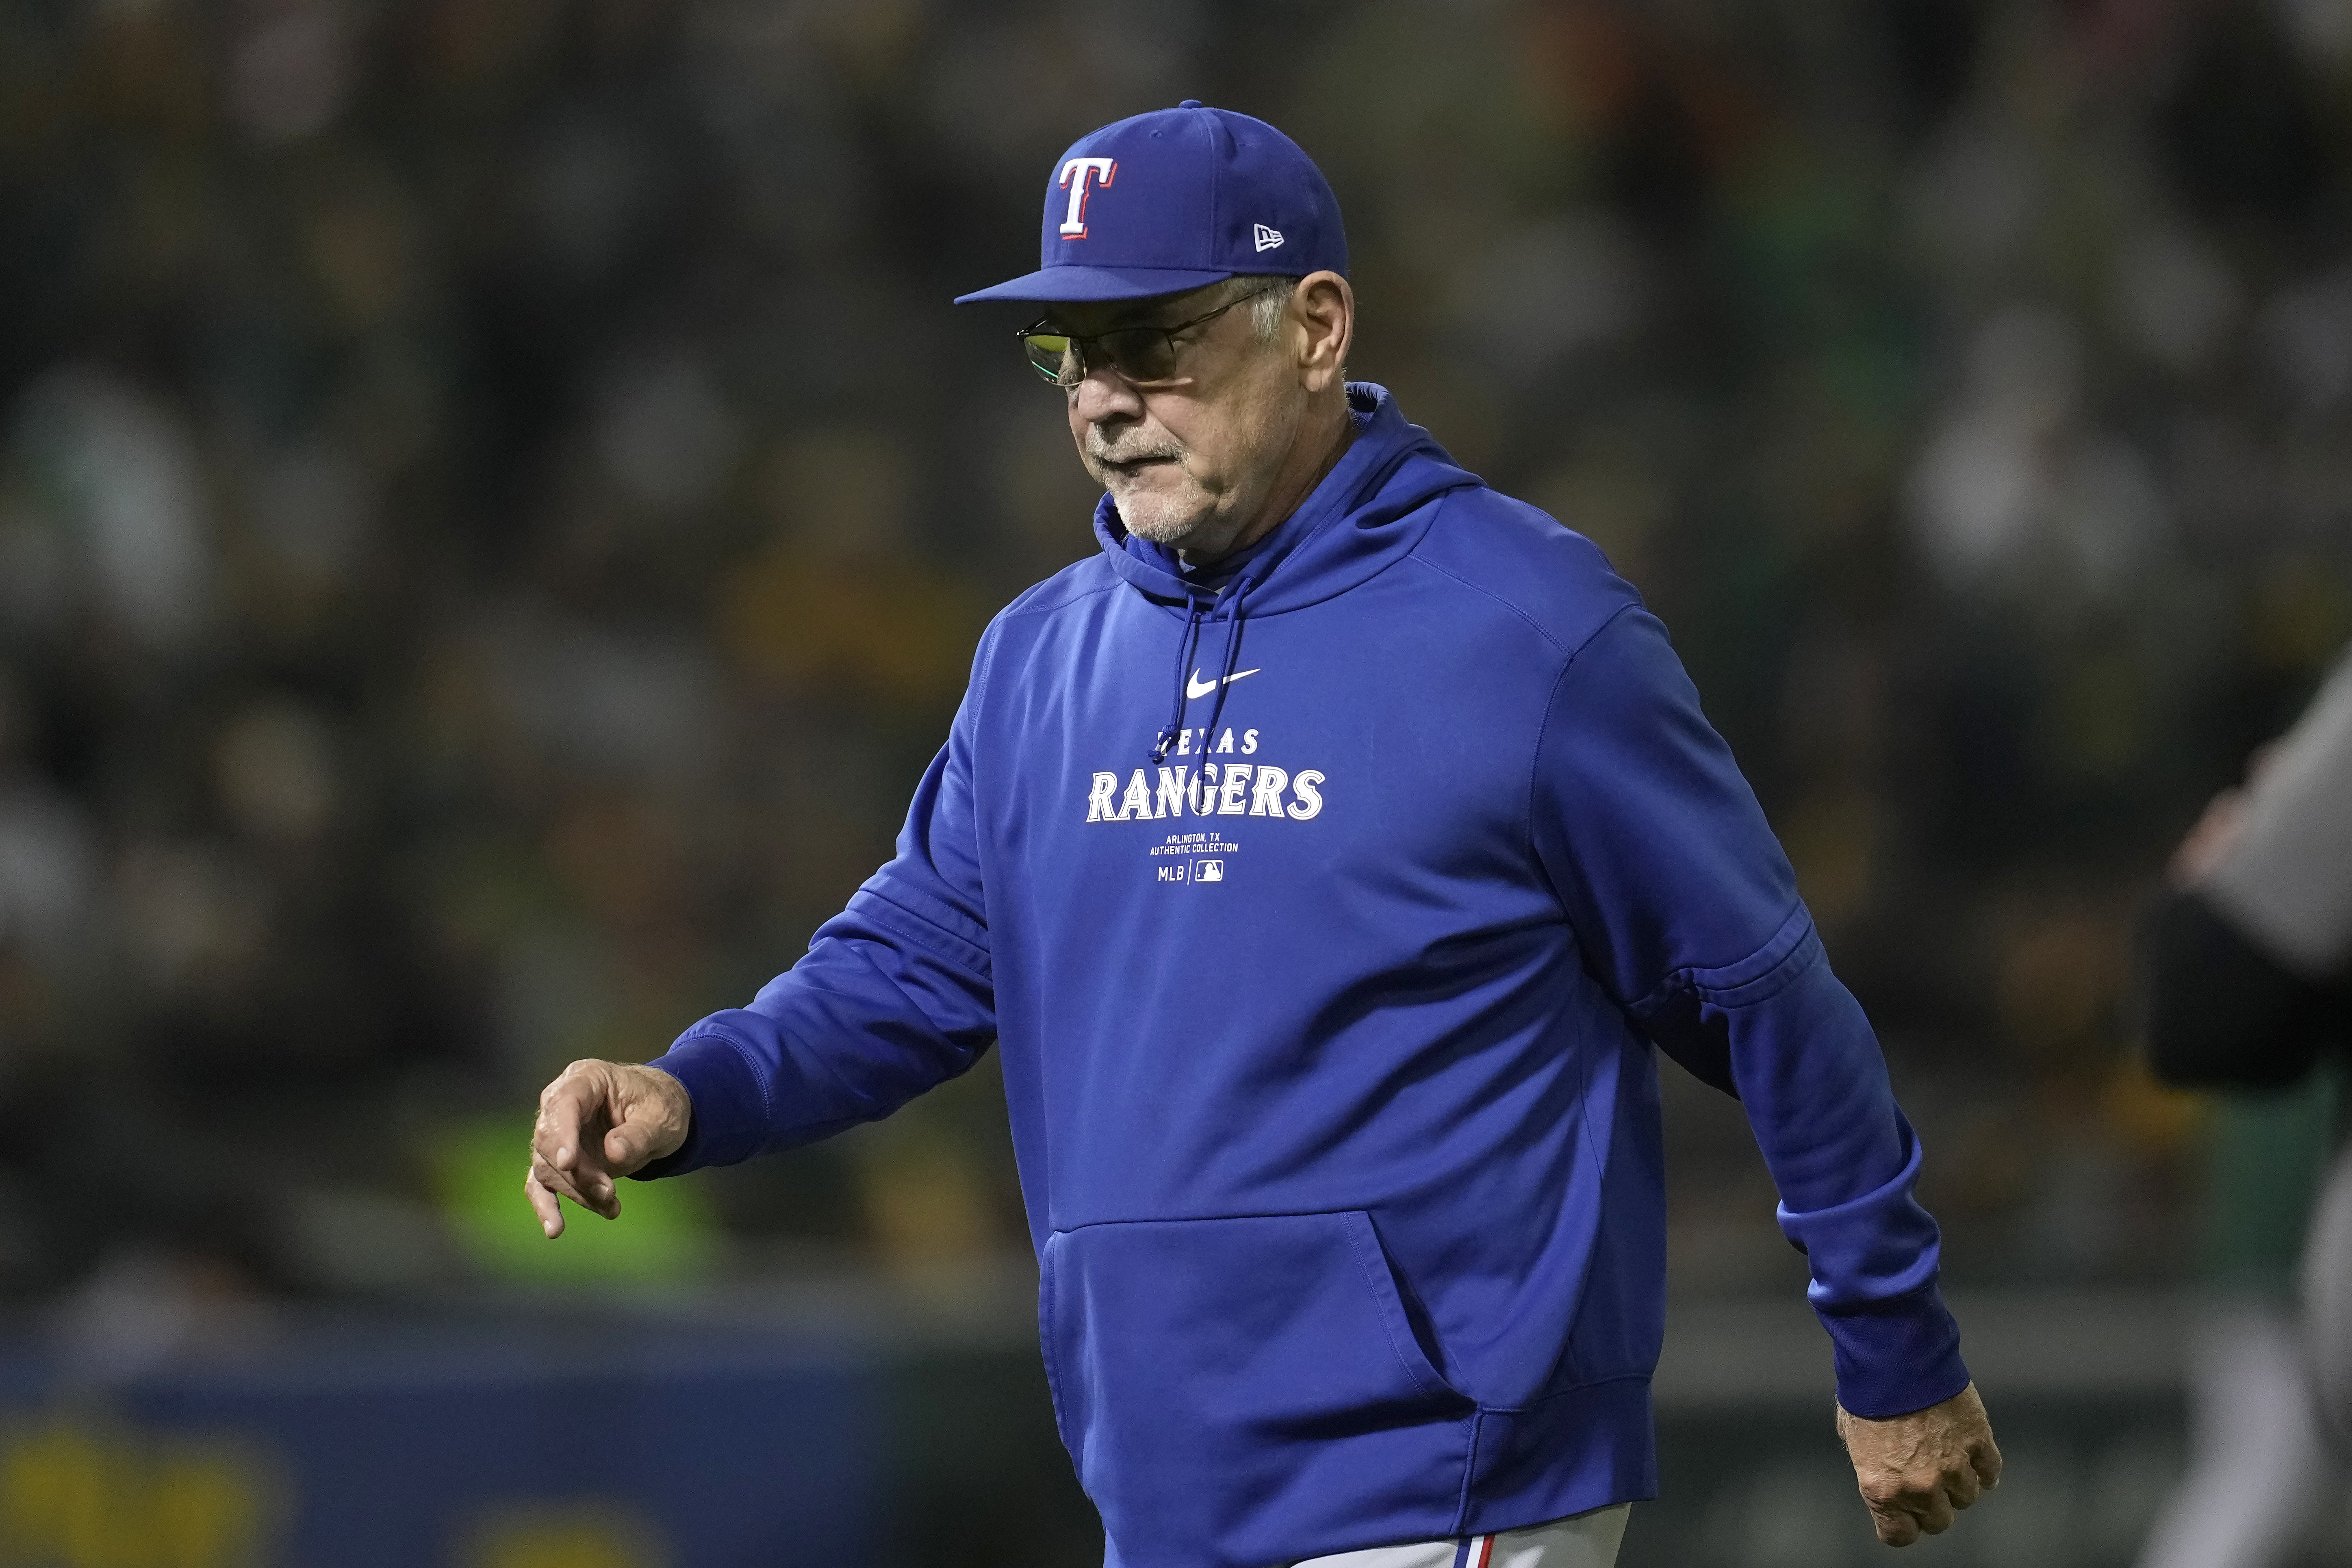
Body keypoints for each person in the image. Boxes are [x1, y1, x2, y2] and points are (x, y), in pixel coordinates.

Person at [524, 102, 2001, 1568]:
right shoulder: (1038, 657)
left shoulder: (1528, 632)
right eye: (1065, 353)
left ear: (1313, 326)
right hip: (1157, 1490)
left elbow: (1759, 996)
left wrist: (1890, 1343)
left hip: (1438, 1481)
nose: (1100, 398)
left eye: (1150, 340)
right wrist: (694, 1087)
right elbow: (914, 961)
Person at [2136, 643, 2352, 1568]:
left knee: (2256, 1477)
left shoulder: (2288, 927)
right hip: (2268, 1285)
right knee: (2258, 1473)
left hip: (2273, 1279)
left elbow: (2196, 1012)